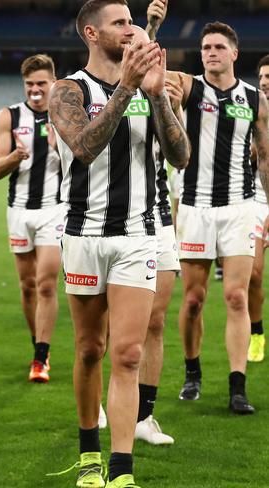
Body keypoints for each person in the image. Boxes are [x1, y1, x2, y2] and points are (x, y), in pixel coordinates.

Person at [48, 1, 189, 486]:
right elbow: (84, 148)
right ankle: (89, 456)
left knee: (127, 354)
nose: (131, 30)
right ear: (92, 33)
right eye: (120, 23)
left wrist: (157, 98)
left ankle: (121, 470)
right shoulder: (67, 90)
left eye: (132, 21)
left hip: (137, 236)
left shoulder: (149, 87)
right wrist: (127, 87)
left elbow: (181, 156)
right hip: (84, 234)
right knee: (90, 349)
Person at [156, 19, 269, 414]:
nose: (211, 53)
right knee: (193, 301)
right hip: (195, 207)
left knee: (237, 296)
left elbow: (266, 156)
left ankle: (238, 386)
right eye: (205, 48)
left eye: (218, 47)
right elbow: (149, 68)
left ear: (234, 53)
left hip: (240, 207)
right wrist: (152, 30)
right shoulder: (189, 86)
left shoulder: (255, 99)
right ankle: (192, 371)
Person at [0, 54, 63, 383]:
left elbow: (85, 161)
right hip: (19, 210)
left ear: (53, 83)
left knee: (47, 284)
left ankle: (40, 357)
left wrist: (59, 146)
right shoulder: (9, 115)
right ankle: (39, 344)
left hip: (54, 210)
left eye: (41, 83)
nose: (36, 89)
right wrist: (15, 156)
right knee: (27, 285)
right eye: (30, 84)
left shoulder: (64, 115)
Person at [127, 16, 179, 446]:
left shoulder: (162, 95)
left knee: (155, 322)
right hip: (115, 223)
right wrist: (149, 25)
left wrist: (163, 96)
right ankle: (112, 399)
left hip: (159, 218)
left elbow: (180, 152)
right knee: (114, 326)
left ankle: (145, 416)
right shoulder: (104, 90)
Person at [247, 53, 269, 362]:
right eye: (262, 78)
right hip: (257, 199)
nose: (264, 82)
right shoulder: (251, 111)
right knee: (253, 274)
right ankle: (256, 333)